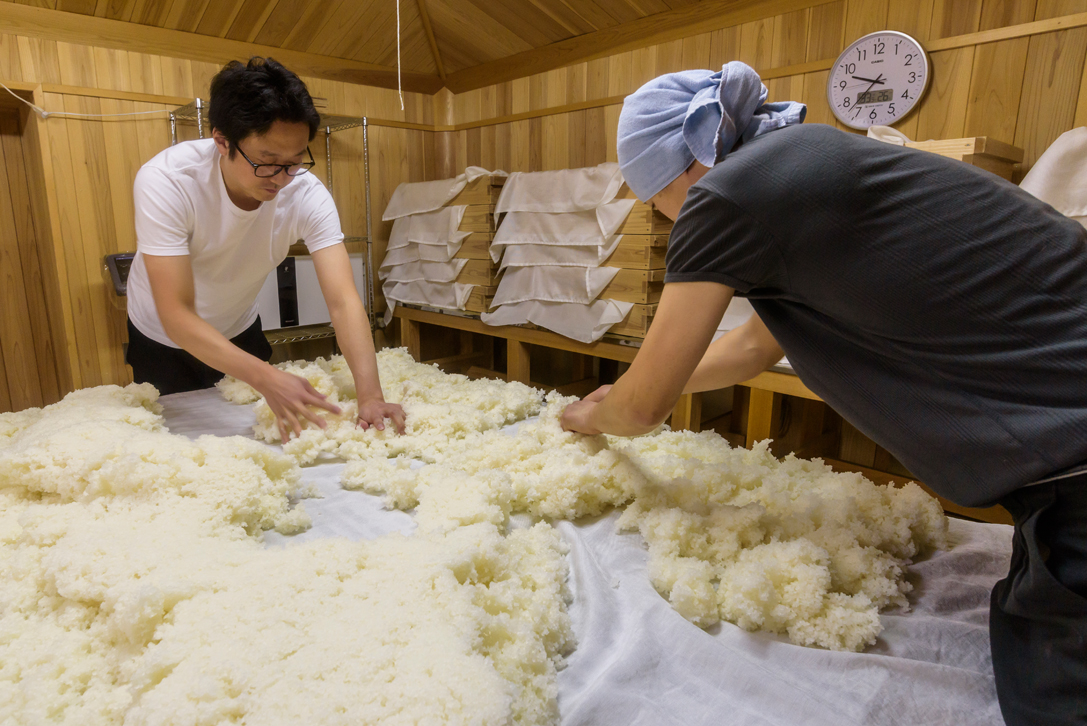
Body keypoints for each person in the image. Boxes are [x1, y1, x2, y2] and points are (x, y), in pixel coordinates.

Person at [561, 61, 1087, 725]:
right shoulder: (804, 163)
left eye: (650, 196)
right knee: (1022, 618)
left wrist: (596, 413)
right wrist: (623, 388)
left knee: (1051, 695)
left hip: (1075, 454)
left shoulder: (727, 195)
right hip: (1063, 453)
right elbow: (751, 349)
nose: (657, 216)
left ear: (682, 167)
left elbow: (642, 413)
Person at [125, 57, 404, 442]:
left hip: (238, 326)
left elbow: (342, 300)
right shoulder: (168, 181)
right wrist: (267, 376)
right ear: (222, 141)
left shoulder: (305, 192)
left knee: (258, 439)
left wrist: (370, 395)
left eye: (294, 162)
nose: (282, 179)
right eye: (268, 163)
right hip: (162, 337)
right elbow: (176, 314)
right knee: (182, 446)